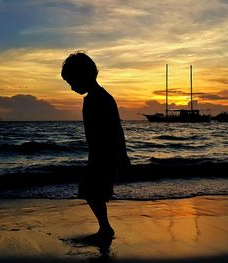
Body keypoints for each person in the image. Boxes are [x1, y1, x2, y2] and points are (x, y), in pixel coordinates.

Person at [61, 52, 130, 245]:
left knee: (91, 190)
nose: (72, 88)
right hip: (99, 153)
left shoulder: (101, 98)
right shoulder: (95, 98)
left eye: (72, 82)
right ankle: (104, 227)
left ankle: (105, 228)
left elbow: (116, 128)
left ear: (84, 76)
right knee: (93, 191)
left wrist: (121, 155)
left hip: (105, 154)